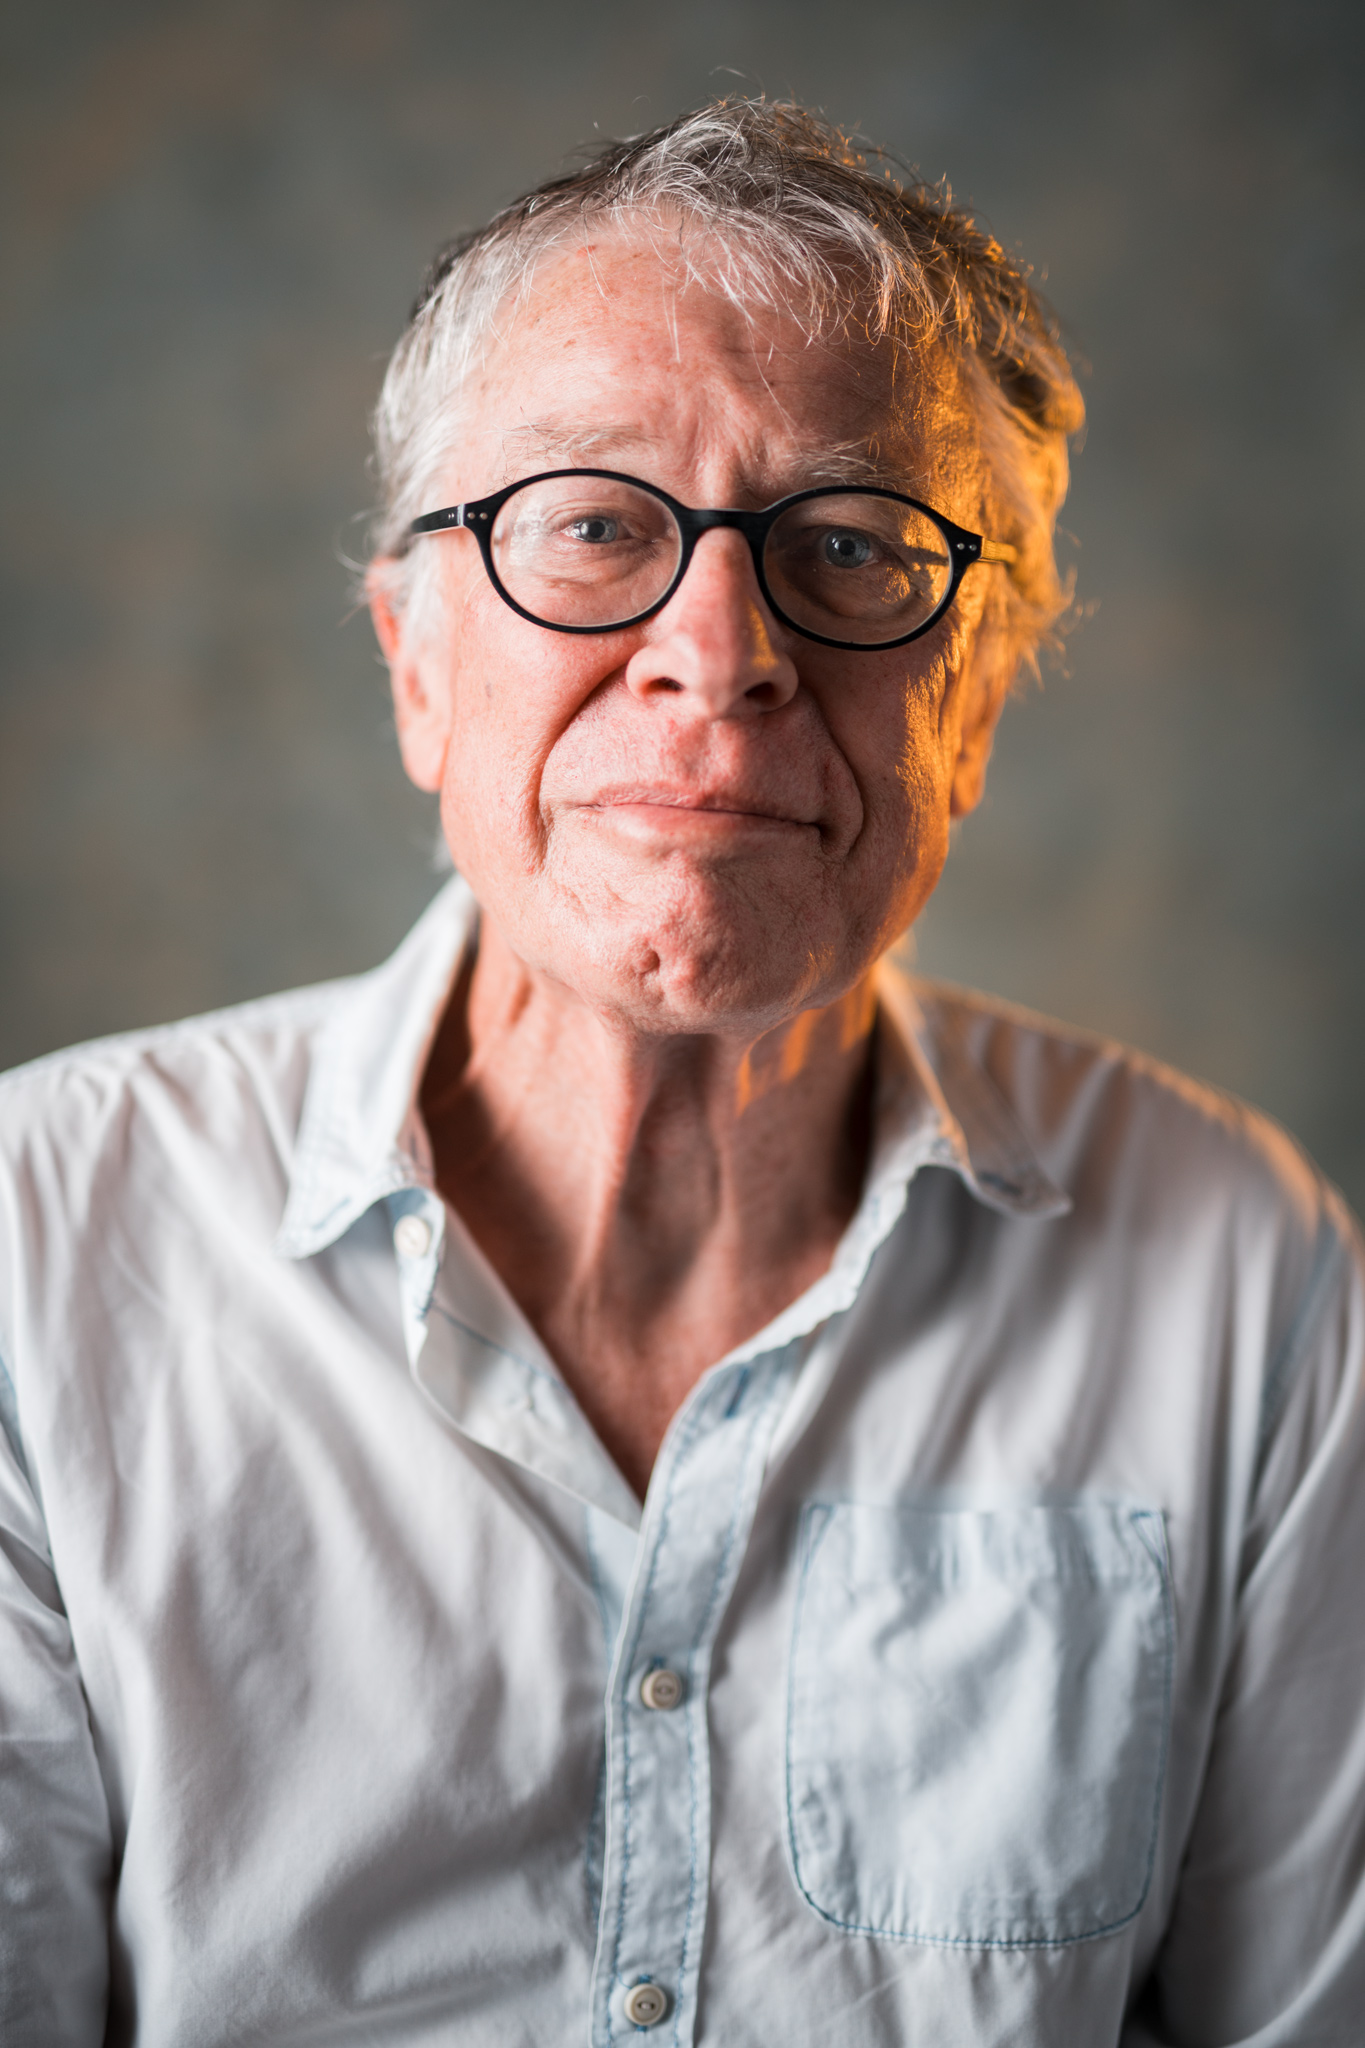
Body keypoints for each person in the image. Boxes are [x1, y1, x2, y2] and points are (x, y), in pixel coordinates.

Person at [1, 98, 1361, 2048]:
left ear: (975, 697)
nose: (716, 656)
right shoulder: (39, 1243)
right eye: (591, 527)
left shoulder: (1245, 1272)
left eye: (849, 546)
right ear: (414, 666)